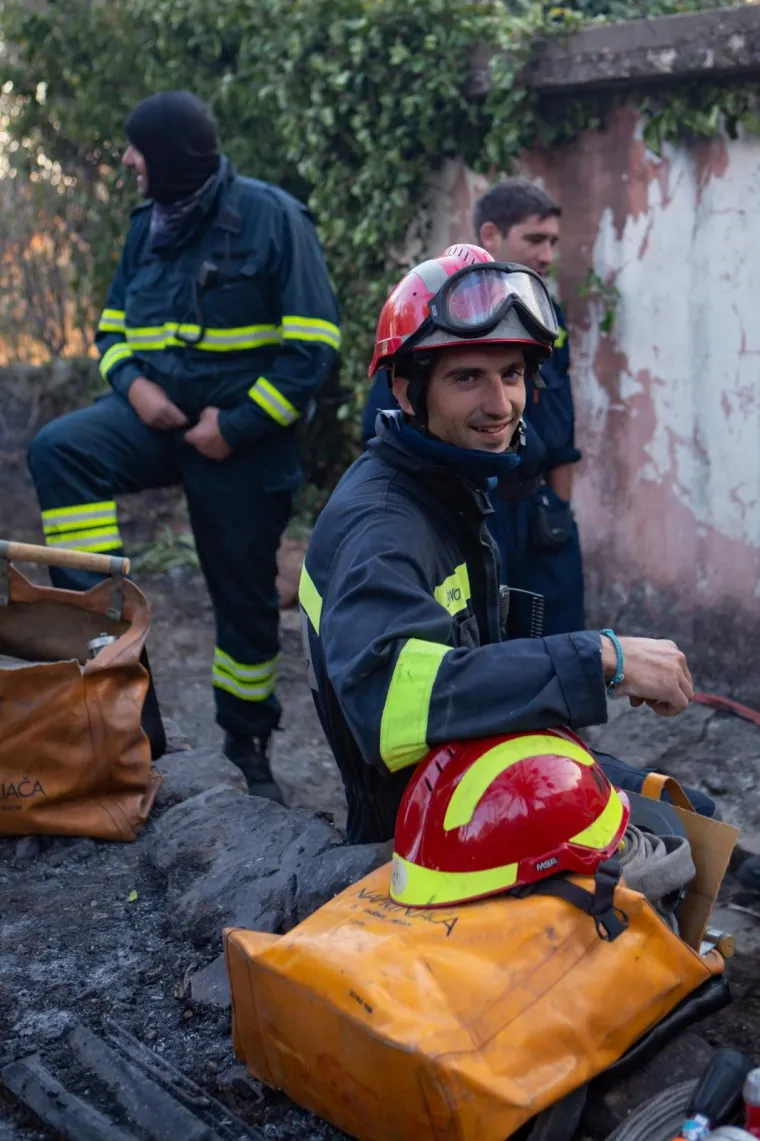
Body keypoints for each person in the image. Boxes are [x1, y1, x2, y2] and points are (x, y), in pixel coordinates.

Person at [300, 248, 714, 844]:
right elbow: (390, 705)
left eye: (512, 374)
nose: (499, 405)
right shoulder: (384, 525)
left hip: (473, 774)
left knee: (690, 815)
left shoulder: (441, 490)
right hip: (430, 830)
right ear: (408, 390)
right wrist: (600, 655)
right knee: (677, 842)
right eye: (467, 377)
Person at [27, 91, 341, 802]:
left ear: (171, 154)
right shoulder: (149, 224)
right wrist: (134, 389)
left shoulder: (272, 218)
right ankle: (117, 673)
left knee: (244, 601)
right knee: (60, 449)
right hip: (157, 420)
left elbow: (314, 346)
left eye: (138, 148)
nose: (130, 160)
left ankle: (247, 745)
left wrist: (233, 427)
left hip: (243, 438)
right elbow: (111, 328)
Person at [361, 179, 583, 634]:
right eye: (534, 239)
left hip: (537, 516)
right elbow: (388, 436)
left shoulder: (545, 318)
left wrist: (559, 510)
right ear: (490, 236)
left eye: (512, 373)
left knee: (557, 643)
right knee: (482, 646)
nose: (547, 256)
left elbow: (563, 435)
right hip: (476, 511)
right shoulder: (430, 319)